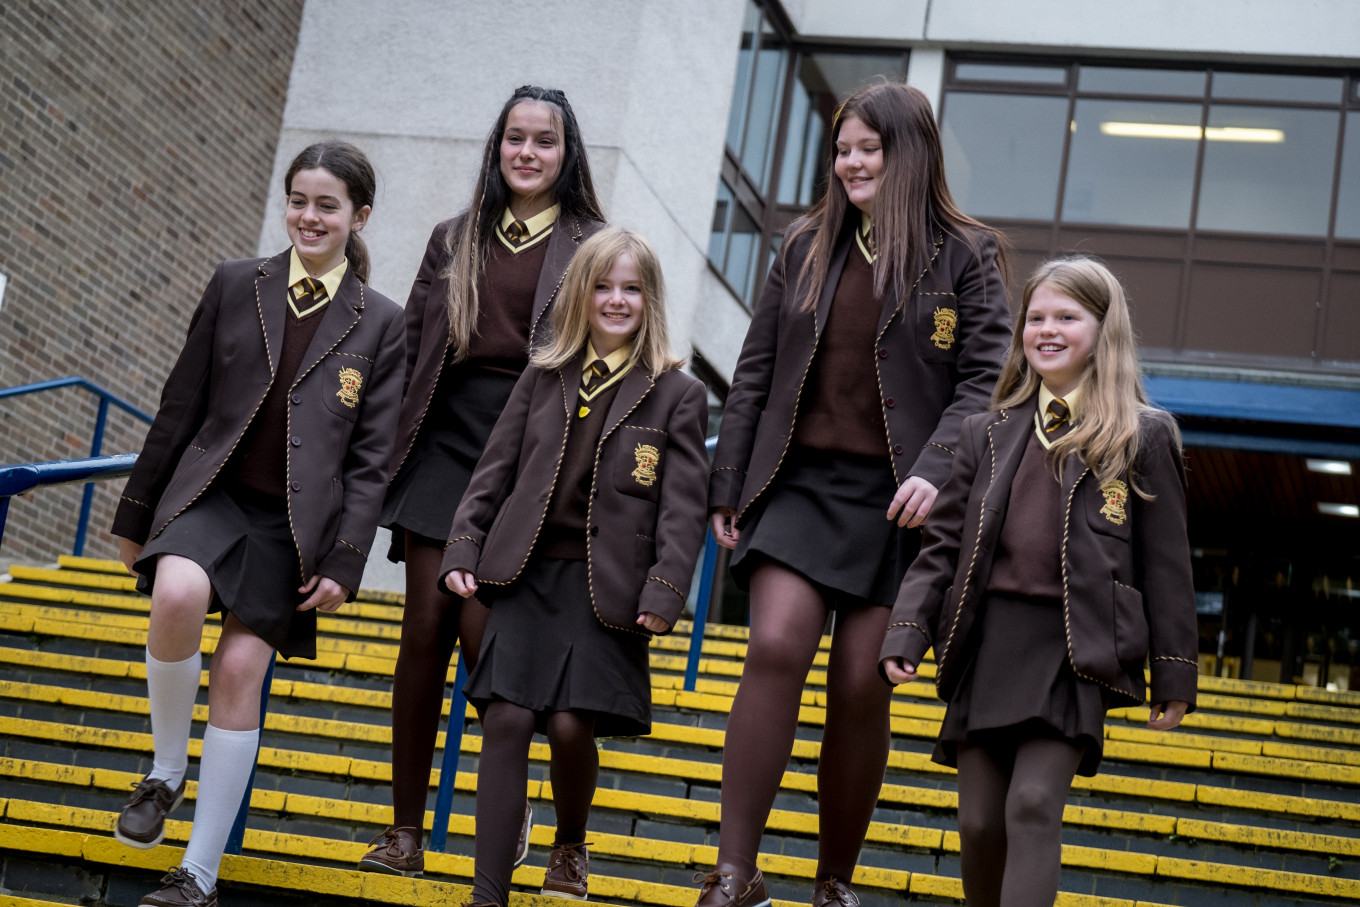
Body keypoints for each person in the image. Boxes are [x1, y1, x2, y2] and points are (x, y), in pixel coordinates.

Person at [698, 80, 1013, 907]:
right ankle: (735, 871)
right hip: (798, 486)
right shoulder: (803, 246)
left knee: (860, 684)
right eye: (842, 149)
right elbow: (755, 370)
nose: (850, 162)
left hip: (901, 503)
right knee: (774, 646)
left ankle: (834, 878)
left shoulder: (968, 254)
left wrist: (937, 470)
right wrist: (727, 481)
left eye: (867, 148)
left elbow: (986, 383)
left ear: (909, 153)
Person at [111, 141, 405, 907]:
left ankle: (197, 876)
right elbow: (182, 402)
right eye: (299, 200)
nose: (310, 216)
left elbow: (373, 459)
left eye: (328, 205)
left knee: (241, 671)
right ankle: (166, 769)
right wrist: (136, 511)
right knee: (174, 594)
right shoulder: (236, 283)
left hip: (292, 526)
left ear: (358, 216)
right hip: (211, 493)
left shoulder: (383, 324)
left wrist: (346, 559)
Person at [879, 256, 1199, 907]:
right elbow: (942, 547)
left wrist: (1173, 670)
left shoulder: (1143, 434)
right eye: (1037, 316)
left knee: (1031, 804)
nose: (1047, 329)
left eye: (1067, 317)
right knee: (977, 821)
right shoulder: (984, 432)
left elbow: (1167, 565)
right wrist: (908, 628)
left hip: (1072, 650)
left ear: (1103, 329)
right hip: (987, 644)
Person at [361, 85, 605, 877]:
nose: (527, 152)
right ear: (497, 147)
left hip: (528, 458)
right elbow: (408, 354)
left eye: (544, 140)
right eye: (515, 138)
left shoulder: (592, 245)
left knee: (482, 637)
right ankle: (405, 832)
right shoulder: (453, 238)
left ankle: (516, 807)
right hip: (444, 447)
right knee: (423, 630)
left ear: (568, 156)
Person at [441, 228, 708, 907]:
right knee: (503, 721)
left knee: (567, 725)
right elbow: (493, 470)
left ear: (649, 300)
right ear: (581, 296)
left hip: (606, 588)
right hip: (528, 574)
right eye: (603, 286)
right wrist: (464, 546)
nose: (616, 300)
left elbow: (682, 507)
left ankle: (569, 839)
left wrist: (666, 586)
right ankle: (486, 894)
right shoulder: (543, 375)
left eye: (631, 288)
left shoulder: (676, 394)